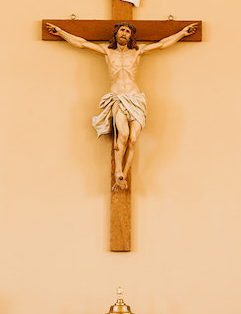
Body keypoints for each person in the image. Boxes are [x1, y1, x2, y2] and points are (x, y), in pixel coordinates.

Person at [45, 20, 198, 189]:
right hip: (118, 98)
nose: (124, 33)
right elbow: (82, 44)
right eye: (121, 30)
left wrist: (182, 33)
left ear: (131, 36)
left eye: (127, 31)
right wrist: (60, 32)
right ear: (116, 33)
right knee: (123, 134)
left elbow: (162, 45)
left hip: (136, 98)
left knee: (133, 139)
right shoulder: (107, 52)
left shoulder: (138, 51)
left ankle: (123, 174)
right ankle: (118, 171)